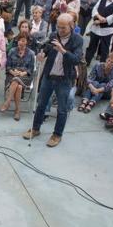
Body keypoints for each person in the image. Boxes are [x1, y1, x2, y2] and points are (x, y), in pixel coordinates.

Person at [22, 13, 83, 147]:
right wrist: (42, 54)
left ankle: (57, 135)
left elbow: (77, 59)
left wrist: (63, 51)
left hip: (64, 79)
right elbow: (47, 49)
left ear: (71, 26)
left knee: (62, 109)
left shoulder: (77, 39)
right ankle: (35, 128)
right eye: (58, 27)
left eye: (63, 28)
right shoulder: (53, 35)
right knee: (41, 104)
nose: (60, 30)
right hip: (49, 76)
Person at [1, 33, 35, 120]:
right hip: (12, 75)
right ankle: (17, 110)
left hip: (25, 77)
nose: (21, 42)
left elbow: (31, 70)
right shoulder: (12, 51)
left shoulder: (31, 53)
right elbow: (8, 67)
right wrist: (13, 72)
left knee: (17, 80)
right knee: (19, 87)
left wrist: (22, 73)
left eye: (23, 40)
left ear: (27, 42)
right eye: (19, 40)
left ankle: (7, 102)